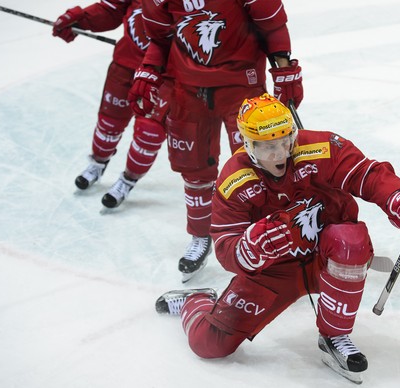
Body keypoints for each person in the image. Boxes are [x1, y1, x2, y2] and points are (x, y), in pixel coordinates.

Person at [154, 94, 400, 383]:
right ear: (249, 145)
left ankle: (335, 336)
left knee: (350, 239)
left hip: (323, 257)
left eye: (284, 141)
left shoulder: (321, 147)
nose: (279, 154)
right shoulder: (234, 179)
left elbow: (367, 174)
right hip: (272, 272)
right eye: (267, 147)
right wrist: (250, 248)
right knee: (209, 343)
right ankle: (198, 299)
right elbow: (226, 247)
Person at [129, 0, 304, 282]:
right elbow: (160, 39)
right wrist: (149, 69)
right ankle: (200, 235)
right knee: (194, 168)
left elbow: (272, 26)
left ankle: (273, 240)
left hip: (241, 85)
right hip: (188, 89)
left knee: (259, 166)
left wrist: (284, 71)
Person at [52, 0, 169, 208]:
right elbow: (111, 8)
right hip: (125, 66)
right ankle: (97, 163)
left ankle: (128, 180)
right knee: (109, 122)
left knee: (149, 134)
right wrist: (80, 19)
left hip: (164, 76)